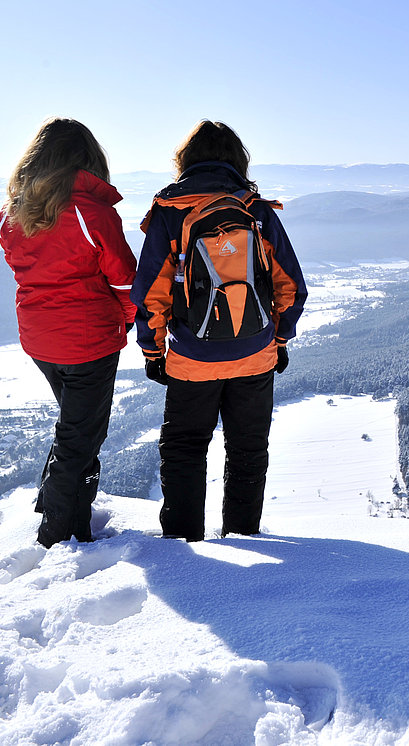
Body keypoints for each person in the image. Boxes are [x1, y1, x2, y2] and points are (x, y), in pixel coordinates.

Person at [132, 120, 307, 541]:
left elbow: (151, 291)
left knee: (184, 448)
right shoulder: (255, 210)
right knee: (248, 450)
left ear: (185, 160)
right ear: (237, 160)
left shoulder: (170, 212)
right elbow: (290, 286)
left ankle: (181, 540)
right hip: (255, 353)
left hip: (192, 357)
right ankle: (243, 535)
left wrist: (153, 351)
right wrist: (279, 338)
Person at [0, 118, 137, 548]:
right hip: (88, 339)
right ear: (88, 159)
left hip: (40, 339)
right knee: (79, 437)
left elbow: (26, 269)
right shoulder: (90, 212)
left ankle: (74, 519)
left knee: (77, 429)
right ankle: (55, 534)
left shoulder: (12, 213)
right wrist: (127, 319)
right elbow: (126, 279)